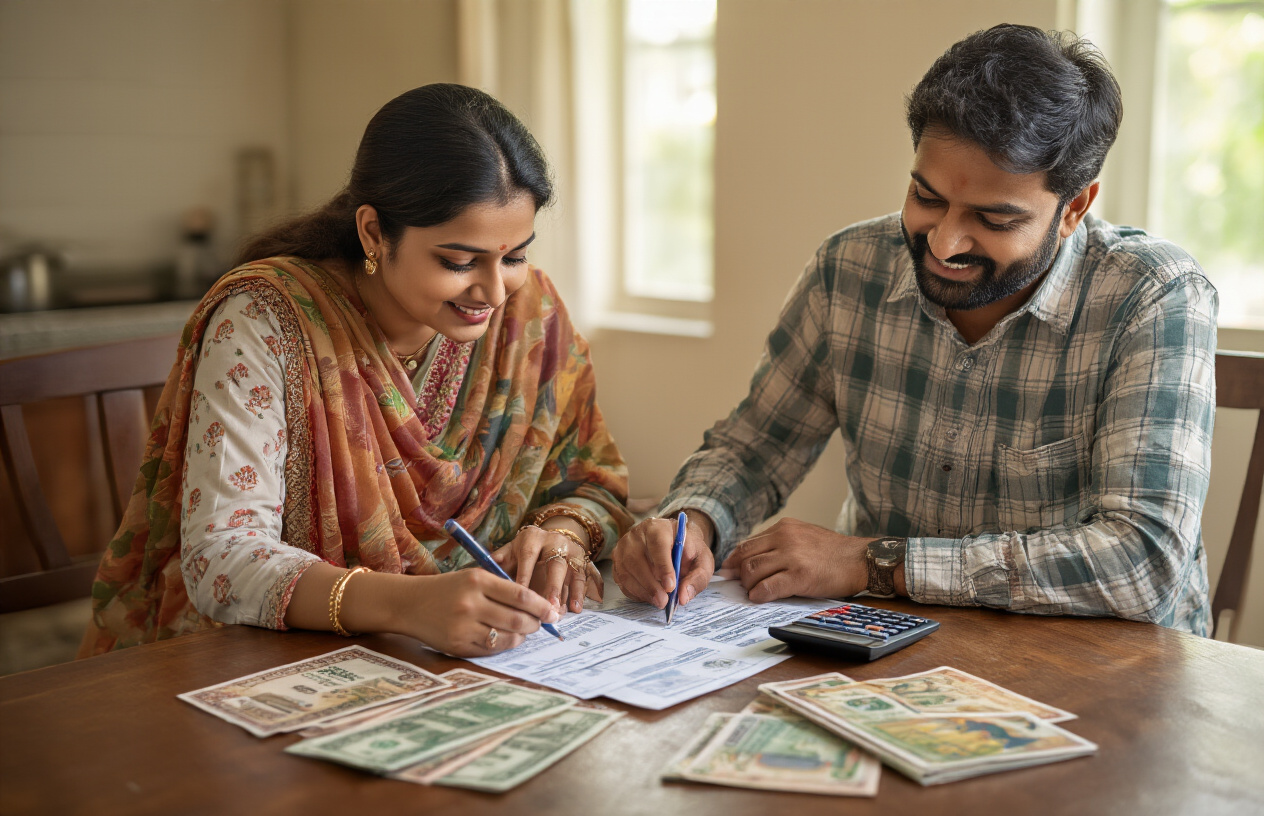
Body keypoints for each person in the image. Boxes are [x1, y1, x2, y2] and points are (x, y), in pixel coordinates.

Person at [613, 24, 1217, 635]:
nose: (945, 243)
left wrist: (871, 562)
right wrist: (691, 520)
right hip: (887, 640)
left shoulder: (1154, 297)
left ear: (1075, 208)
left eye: (993, 218)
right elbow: (756, 449)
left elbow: (1142, 562)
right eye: (926, 198)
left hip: (1103, 663)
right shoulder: (848, 268)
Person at [80, 84, 633, 658]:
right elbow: (224, 557)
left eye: (515, 256)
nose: (493, 291)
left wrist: (563, 539)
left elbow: (588, 478)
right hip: (273, 659)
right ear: (373, 232)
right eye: (458, 261)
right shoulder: (266, 320)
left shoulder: (529, 316)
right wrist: (410, 605)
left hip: (491, 657)